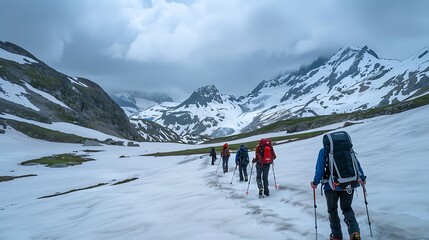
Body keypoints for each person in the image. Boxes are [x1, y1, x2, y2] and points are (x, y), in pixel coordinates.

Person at [311, 132, 367, 240]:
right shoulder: (348, 150)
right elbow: (357, 164)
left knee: (332, 210)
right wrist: (363, 178)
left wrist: (315, 182)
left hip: (330, 186)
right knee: (347, 208)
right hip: (349, 184)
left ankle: (336, 235)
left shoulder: (324, 151)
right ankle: (354, 232)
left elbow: (320, 169)